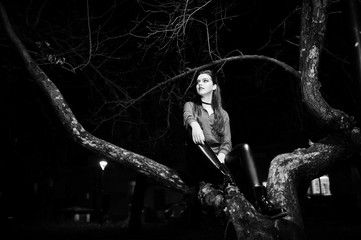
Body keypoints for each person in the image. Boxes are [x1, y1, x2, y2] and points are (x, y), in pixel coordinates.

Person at [183, 69, 286, 219]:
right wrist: (195, 125)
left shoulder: (223, 114)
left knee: (244, 147)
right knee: (192, 137)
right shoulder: (191, 106)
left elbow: (227, 141)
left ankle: (261, 200)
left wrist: (222, 154)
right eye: (198, 81)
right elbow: (187, 116)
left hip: (220, 162)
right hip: (201, 164)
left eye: (205, 81)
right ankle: (226, 179)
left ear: (214, 87)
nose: (200, 84)